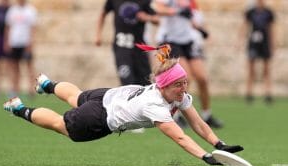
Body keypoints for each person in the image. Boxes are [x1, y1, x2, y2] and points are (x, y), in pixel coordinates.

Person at [3, 44, 243, 166]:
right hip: (101, 116)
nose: (184, 88)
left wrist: (218, 143)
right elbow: (180, 137)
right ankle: (20, 108)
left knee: (77, 96)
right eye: (179, 84)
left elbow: (197, 122)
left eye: (185, 82)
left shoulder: (179, 96)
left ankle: (47, 84)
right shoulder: (155, 105)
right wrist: (205, 157)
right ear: (164, 86)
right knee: (61, 125)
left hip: (109, 96)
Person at [152, 0, 223, 128]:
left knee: (202, 78)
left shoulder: (190, 2)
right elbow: (157, 8)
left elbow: (188, 18)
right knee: (185, 78)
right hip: (171, 41)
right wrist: (177, 11)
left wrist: (201, 29)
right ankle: (176, 115)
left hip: (188, 41)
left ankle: (207, 115)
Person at [95, 0, 158, 86]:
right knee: (127, 81)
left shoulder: (144, 1)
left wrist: (146, 17)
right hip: (121, 48)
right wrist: (98, 35)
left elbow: (157, 19)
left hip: (139, 48)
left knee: (146, 82)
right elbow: (103, 14)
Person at [239, 0, 275, 104]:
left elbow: (271, 29)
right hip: (253, 42)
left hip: (265, 43)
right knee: (251, 69)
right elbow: (245, 26)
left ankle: (268, 94)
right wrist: (240, 40)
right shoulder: (251, 12)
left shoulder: (269, 13)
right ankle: (249, 93)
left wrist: (272, 44)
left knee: (266, 69)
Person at [4, 0, 37, 97]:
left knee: (29, 67)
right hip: (14, 42)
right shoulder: (12, 10)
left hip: (25, 42)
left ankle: (31, 89)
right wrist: (7, 42)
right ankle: (15, 89)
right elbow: (8, 27)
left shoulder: (31, 10)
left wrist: (31, 43)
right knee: (14, 67)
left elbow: (33, 28)